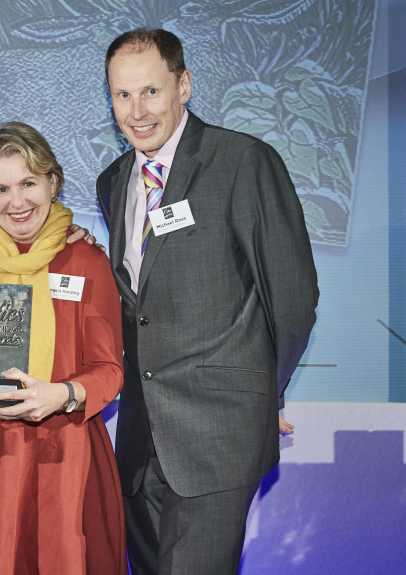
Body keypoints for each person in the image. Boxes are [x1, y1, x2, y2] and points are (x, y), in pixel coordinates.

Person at [95, 28, 319, 574]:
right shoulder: (114, 180)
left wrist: (265, 393)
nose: (137, 111)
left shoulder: (243, 161)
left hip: (220, 431)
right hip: (141, 441)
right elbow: (138, 301)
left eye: (151, 91)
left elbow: (292, 298)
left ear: (184, 85)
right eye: (123, 95)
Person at [0, 122, 127, 575]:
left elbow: (109, 369)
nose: (16, 202)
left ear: (52, 183)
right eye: (0, 188)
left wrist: (64, 393)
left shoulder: (87, 260)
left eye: (28, 183)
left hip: (62, 450)